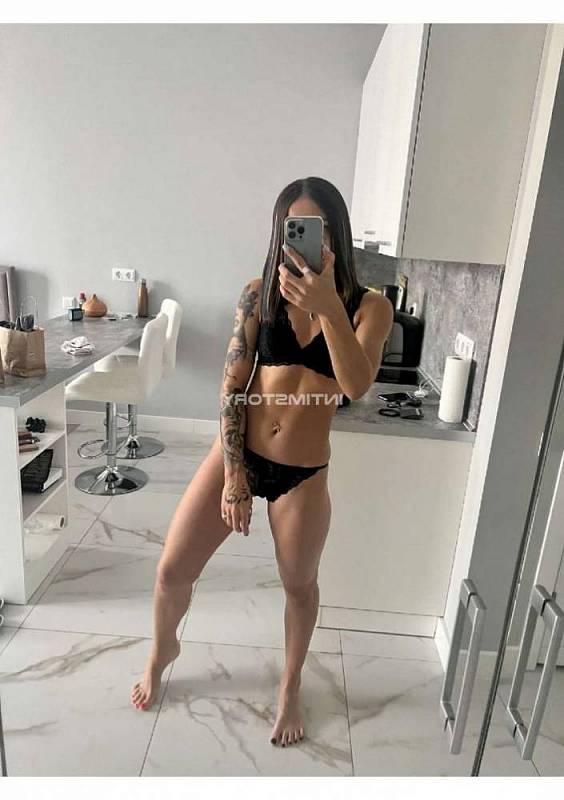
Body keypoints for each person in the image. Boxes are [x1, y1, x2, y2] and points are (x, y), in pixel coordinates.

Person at [131, 176, 394, 747]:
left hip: (304, 474)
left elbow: (355, 385)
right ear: (280, 234)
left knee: (299, 586)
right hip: (240, 455)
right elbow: (232, 386)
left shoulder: (370, 307)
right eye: (293, 230)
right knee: (171, 570)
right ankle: (162, 650)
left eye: (316, 230)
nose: (305, 242)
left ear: (337, 235)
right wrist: (233, 476)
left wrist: (328, 308)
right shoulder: (259, 294)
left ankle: (290, 685)